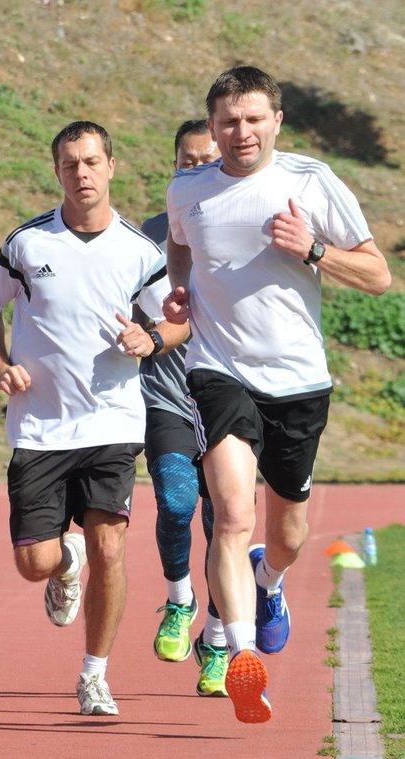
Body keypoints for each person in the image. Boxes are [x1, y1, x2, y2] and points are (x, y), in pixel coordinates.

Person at [163, 65, 391, 723]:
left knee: (287, 530)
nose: (242, 131)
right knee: (232, 513)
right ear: (213, 126)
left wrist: (314, 249)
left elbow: (377, 274)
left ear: (276, 122)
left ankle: (270, 580)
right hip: (218, 371)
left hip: (298, 381)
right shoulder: (189, 189)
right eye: (229, 120)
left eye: (254, 118)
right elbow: (181, 248)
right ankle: (241, 660)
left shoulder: (310, 181)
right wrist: (182, 293)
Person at [0, 121, 189, 717]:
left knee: (111, 550)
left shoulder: (139, 252)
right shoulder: (26, 245)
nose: (82, 174)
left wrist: (149, 338)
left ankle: (95, 674)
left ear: (112, 166)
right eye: (70, 165)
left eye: (92, 162)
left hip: (113, 426)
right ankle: (63, 561)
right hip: (40, 428)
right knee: (33, 562)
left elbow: (178, 322)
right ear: (57, 173)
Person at [138, 119, 226, 697]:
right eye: (185, 162)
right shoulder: (145, 236)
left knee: (226, 522)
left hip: (226, 397)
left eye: (206, 161)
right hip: (166, 395)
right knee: (174, 503)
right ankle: (179, 600)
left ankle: (216, 639)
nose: (194, 170)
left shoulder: (241, 226)